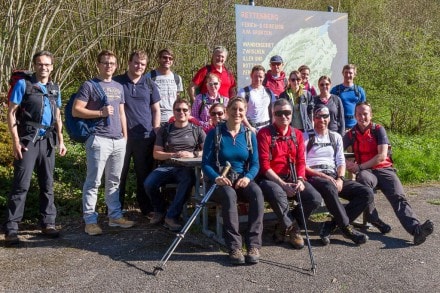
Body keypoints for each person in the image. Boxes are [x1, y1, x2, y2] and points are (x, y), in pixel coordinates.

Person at [344, 102, 434, 245]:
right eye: (359, 114)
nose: (362, 117)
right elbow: (337, 152)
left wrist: (359, 166)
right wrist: (347, 164)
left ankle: (416, 229)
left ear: (371, 115)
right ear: (355, 116)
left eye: (365, 113)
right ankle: (374, 219)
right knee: (364, 183)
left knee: (398, 197)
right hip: (367, 172)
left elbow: (381, 155)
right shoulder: (351, 134)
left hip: (384, 169)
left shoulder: (378, 130)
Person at [4, 50, 67, 245]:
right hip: (27, 141)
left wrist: (61, 140)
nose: (44, 67)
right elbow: (11, 113)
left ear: (52, 66)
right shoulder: (24, 84)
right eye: (40, 64)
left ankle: (48, 223)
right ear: (35, 65)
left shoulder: (55, 88)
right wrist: (15, 142)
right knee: (21, 185)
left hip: (48, 141)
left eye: (47, 64)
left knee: (47, 184)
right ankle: (12, 229)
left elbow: (57, 116)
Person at [73, 50, 134, 236]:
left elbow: (122, 112)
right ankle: (90, 221)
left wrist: (125, 136)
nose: (109, 66)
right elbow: (76, 110)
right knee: (94, 181)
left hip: (118, 140)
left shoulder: (118, 86)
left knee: (114, 181)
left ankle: (114, 216)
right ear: (98, 64)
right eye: (105, 63)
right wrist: (100, 113)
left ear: (116, 66)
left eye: (112, 63)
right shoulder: (89, 85)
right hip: (98, 138)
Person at [202, 97, 264, 265]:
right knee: (229, 195)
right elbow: (206, 163)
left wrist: (248, 177)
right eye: (234, 109)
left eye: (241, 110)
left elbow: (255, 163)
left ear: (245, 113)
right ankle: (234, 247)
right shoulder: (215, 134)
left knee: (257, 193)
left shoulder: (249, 135)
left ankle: (253, 245)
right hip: (219, 181)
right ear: (227, 111)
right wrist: (217, 177)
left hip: (241, 179)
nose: (237, 113)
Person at [305, 104, 373, 245]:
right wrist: (325, 177)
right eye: (318, 116)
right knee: (329, 186)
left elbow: (341, 160)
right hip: (313, 176)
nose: (322, 119)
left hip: (334, 176)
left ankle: (331, 225)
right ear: (313, 118)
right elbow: (302, 165)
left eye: (325, 116)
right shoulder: (306, 136)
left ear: (329, 118)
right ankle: (347, 228)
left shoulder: (335, 137)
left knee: (366, 193)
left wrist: (341, 178)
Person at [257, 99, 322, 249]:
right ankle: (294, 229)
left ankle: (282, 226)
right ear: (273, 115)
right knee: (278, 193)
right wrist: (283, 184)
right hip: (270, 178)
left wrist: (300, 179)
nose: (283, 116)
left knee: (314, 198)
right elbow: (265, 166)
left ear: (292, 114)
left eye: (287, 112)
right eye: (279, 113)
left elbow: (301, 161)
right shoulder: (264, 134)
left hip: (293, 176)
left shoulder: (297, 134)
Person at [144, 99, 205, 232]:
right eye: (178, 110)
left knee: (187, 180)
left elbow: (207, 151)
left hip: (186, 169)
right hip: (167, 166)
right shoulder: (165, 130)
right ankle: (160, 210)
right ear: (173, 111)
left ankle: (171, 217)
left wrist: (193, 154)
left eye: (184, 110)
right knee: (149, 184)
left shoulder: (197, 130)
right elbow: (156, 154)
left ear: (189, 112)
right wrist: (173, 154)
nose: (181, 112)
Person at [113, 50, 161, 217]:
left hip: (145, 137)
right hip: (120, 136)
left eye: (142, 64)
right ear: (129, 62)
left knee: (144, 175)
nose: (139, 66)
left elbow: (156, 109)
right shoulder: (116, 82)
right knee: (118, 175)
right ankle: (115, 210)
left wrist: (156, 130)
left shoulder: (149, 84)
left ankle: (146, 209)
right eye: (136, 63)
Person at [145, 48, 183, 125]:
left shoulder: (177, 78)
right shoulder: (149, 77)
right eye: (164, 57)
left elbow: (177, 98)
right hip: (155, 119)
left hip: (173, 119)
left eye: (170, 58)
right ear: (159, 59)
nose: (167, 60)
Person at [237, 65, 276, 133]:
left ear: (264, 77)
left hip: (267, 129)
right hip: (250, 129)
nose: (258, 79)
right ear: (251, 76)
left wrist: (273, 127)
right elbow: (240, 113)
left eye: (260, 77)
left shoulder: (269, 92)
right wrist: (250, 127)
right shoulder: (243, 92)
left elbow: (273, 111)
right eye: (256, 76)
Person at [331, 64, 366, 130]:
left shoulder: (359, 91)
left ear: (354, 75)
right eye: (346, 72)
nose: (348, 75)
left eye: (350, 73)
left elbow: (364, 109)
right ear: (343, 73)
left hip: (356, 126)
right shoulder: (335, 90)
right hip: (339, 126)